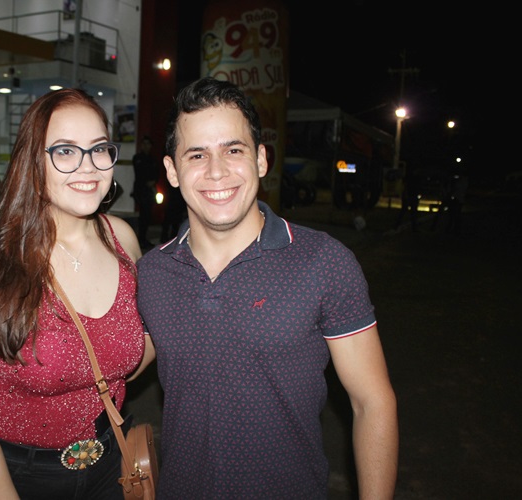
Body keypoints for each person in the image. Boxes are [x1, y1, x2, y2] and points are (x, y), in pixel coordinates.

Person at [135, 77, 398, 498]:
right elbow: (116, 365)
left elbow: (372, 402)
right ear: (172, 171)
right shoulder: (152, 273)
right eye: (197, 154)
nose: (216, 171)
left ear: (260, 159)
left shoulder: (323, 261)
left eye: (233, 150)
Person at [0, 88, 154, 498]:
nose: (87, 166)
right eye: (65, 151)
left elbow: (135, 346)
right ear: (33, 160)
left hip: (109, 461)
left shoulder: (120, 239)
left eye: (98, 149)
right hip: (13, 473)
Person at [131, 135, 158, 248]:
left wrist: (153, 182)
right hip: (141, 190)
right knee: (143, 215)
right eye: (144, 144)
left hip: (150, 190)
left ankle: (143, 238)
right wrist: (148, 181)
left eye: (148, 144)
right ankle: (141, 239)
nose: (146, 146)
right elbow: (140, 173)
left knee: (147, 215)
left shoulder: (152, 159)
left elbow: (156, 173)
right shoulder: (138, 158)